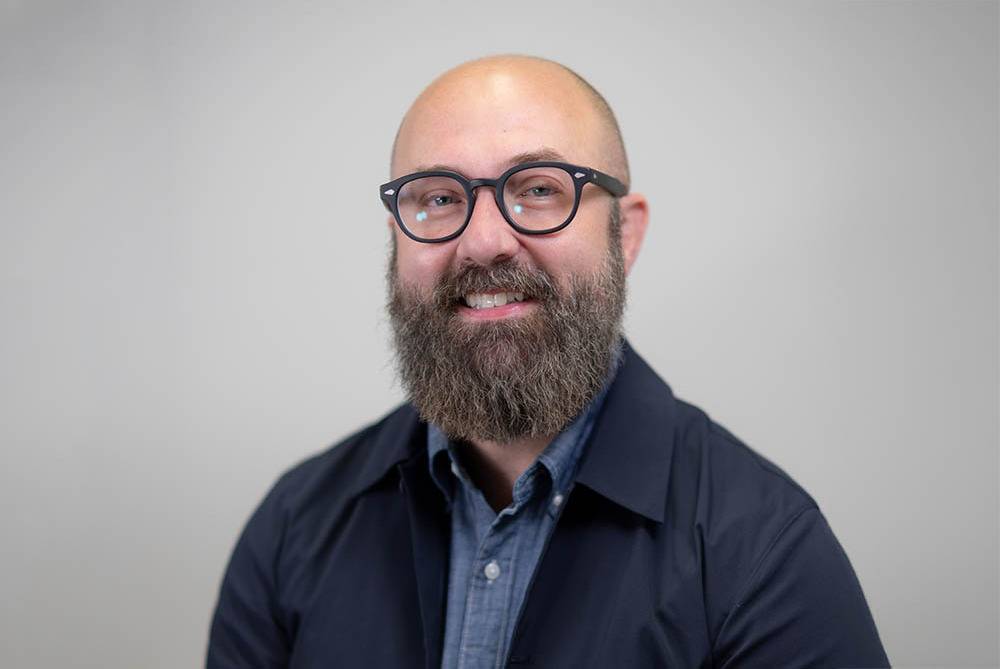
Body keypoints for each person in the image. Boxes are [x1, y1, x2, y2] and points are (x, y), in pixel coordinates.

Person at [207, 55, 889, 669]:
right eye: (439, 198)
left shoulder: (764, 550)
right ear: (397, 239)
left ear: (625, 233)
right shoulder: (294, 527)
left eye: (538, 189)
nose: (484, 242)